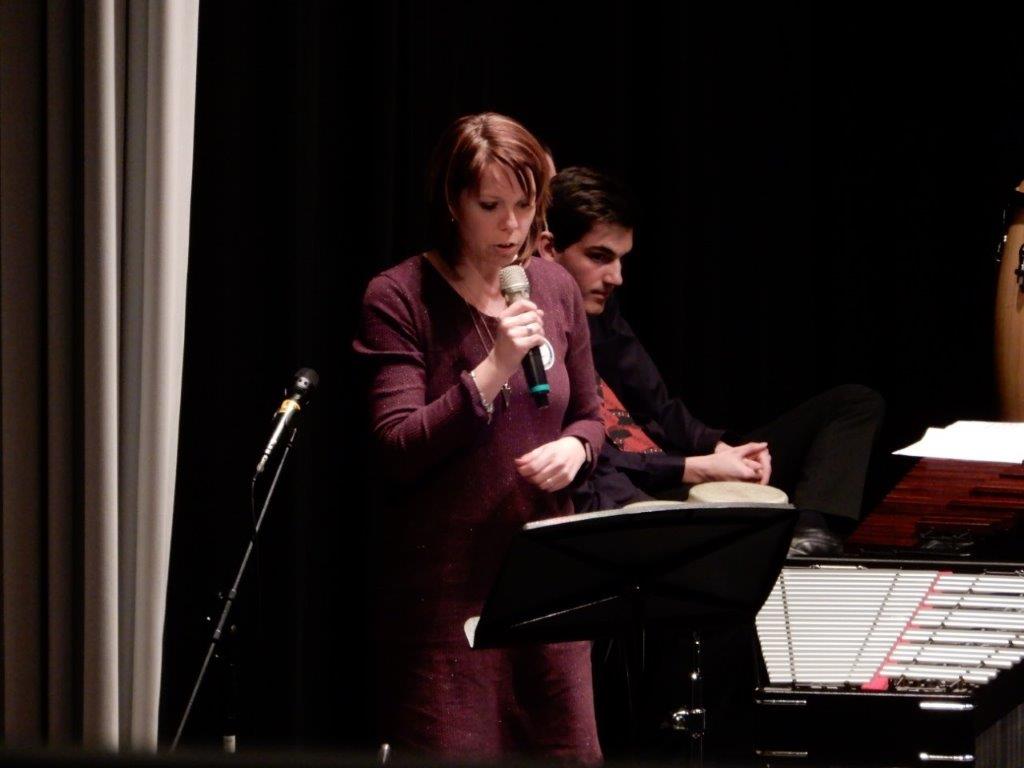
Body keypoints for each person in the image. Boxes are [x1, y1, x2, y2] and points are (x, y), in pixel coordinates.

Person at [353, 115, 605, 763]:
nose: (511, 226)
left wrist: (577, 449)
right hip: (449, 596)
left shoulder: (555, 286)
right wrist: (493, 367)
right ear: (452, 202)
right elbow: (398, 445)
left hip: (548, 587)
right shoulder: (400, 296)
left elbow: (589, 415)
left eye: (524, 204)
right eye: (490, 206)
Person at [538, 166, 884, 556]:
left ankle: (809, 533)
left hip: (676, 464)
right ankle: (788, 542)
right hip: (642, 490)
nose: (616, 277)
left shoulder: (602, 311)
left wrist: (720, 449)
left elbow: (659, 404)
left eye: (621, 260)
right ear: (549, 249)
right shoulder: (534, 334)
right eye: (599, 257)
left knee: (854, 403)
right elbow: (600, 465)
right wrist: (697, 469)